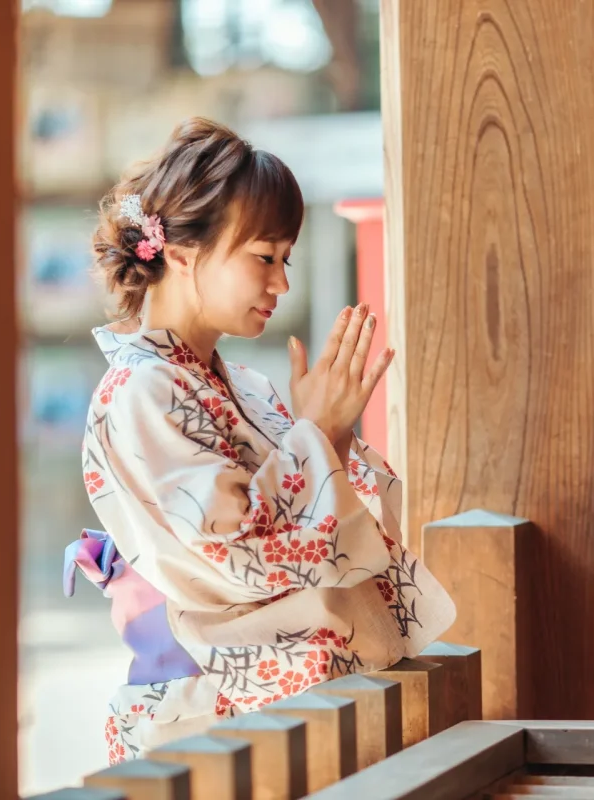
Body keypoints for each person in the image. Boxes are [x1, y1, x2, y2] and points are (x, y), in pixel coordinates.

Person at [63, 117, 456, 763]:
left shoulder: (240, 385)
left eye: (286, 259)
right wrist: (320, 436)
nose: (281, 283)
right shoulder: (141, 392)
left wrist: (327, 439)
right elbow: (241, 556)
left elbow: (357, 530)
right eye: (264, 257)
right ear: (183, 255)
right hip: (213, 714)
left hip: (281, 704)